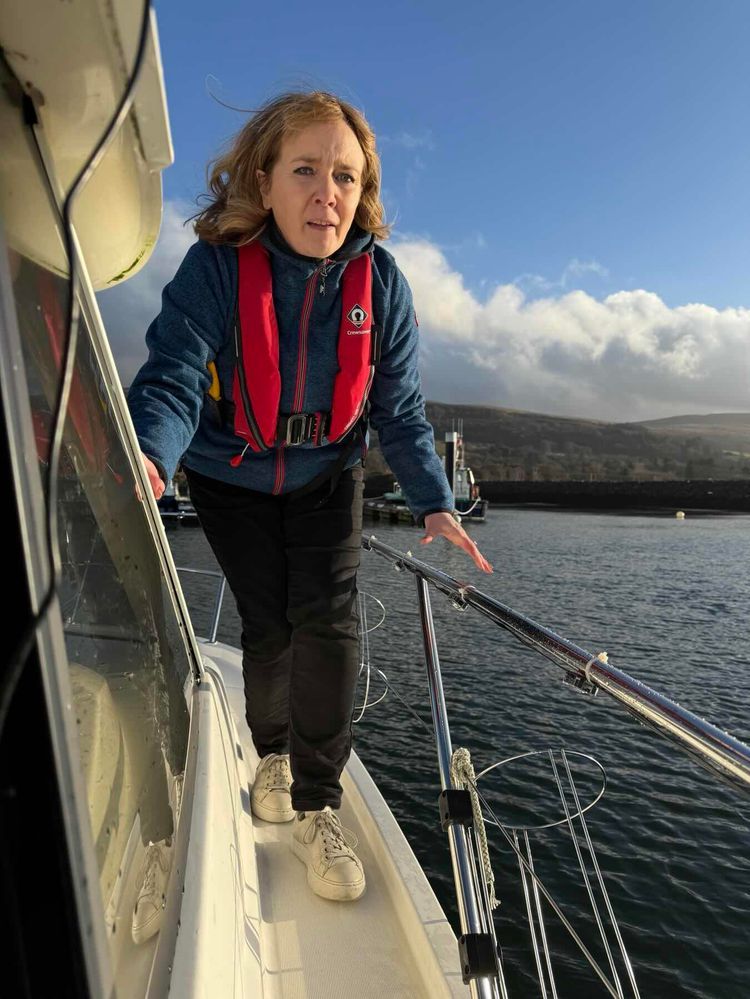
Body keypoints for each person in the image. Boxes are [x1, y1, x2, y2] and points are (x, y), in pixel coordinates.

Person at [127, 90, 492, 903]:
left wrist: (434, 499)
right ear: (264, 177)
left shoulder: (381, 284)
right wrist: (151, 456)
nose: (328, 191)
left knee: (327, 618)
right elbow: (175, 375)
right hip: (229, 475)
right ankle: (275, 755)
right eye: (306, 169)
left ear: (363, 194)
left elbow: (397, 408)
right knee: (269, 621)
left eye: (346, 176)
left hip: (329, 471)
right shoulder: (217, 269)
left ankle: (319, 802)